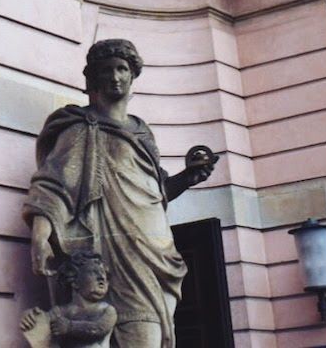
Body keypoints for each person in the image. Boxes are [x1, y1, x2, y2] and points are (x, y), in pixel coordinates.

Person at [24, 39, 216, 348]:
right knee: (138, 331)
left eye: (122, 69)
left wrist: (188, 178)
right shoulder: (81, 129)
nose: (115, 76)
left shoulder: (142, 131)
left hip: (154, 249)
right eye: (106, 70)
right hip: (113, 248)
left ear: (133, 75)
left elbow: (155, 193)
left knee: (155, 329)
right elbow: (55, 186)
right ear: (93, 78)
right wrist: (39, 237)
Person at [19, 251, 119, 348]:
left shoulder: (107, 310)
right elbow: (42, 323)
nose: (102, 277)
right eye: (94, 272)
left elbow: (99, 328)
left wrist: (70, 327)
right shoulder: (60, 312)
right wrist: (29, 317)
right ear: (74, 281)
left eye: (104, 274)